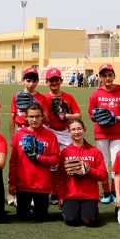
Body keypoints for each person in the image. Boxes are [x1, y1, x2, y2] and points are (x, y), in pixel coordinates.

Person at [88, 63, 120, 204]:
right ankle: (106, 192)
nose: (107, 78)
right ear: (100, 77)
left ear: (114, 76)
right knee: (103, 162)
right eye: (104, 76)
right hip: (101, 133)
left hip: (117, 133)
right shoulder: (96, 95)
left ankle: (115, 192)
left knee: (117, 162)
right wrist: (98, 117)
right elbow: (91, 115)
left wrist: (115, 118)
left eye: (110, 75)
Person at [8, 103, 59, 221]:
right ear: (26, 117)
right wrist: (12, 183)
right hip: (23, 186)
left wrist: (39, 157)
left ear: (42, 117)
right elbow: (13, 161)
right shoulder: (18, 135)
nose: (34, 119)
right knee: (22, 218)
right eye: (31, 116)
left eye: (37, 116)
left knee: (41, 218)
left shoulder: (50, 136)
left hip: (42, 186)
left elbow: (55, 159)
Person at [59, 119, 108, 227]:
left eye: (79, 129)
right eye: (73, 129)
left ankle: (90, 212)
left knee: (89, 221)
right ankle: (70, 213)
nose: (76, 132)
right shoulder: (64, 152)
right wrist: (61, 196)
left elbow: (104, 175)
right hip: (71, 195)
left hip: (89, 196)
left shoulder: (95, 151)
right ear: (69, 132)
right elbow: (61, 176)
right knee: (72, 221)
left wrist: (88, 169)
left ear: (84, 130)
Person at [44, 68, 81, 204]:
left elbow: (78, 115)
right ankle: (53, 192)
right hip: (50, 131)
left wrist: (65, 116)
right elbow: (45, 118)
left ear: (61, 81)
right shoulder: (45, 98)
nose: (54, 82)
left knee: (69, 161)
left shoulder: (68, 97)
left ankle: (67, 190)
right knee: (52, 163)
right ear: (47, 82)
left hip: (65, 132)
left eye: (56, 79)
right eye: (51, 80)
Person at [9, 67, 49, 139]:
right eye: (28, 80)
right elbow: (12, 117)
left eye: (34, 81)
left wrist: (35, 105)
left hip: (37, 130)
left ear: (37, 81)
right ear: (23, 80)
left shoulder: (42, 98)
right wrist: (12, 137)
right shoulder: (17, 96)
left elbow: (46, 120)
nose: (31, 83)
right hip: (20, 129)